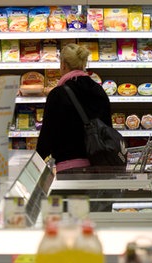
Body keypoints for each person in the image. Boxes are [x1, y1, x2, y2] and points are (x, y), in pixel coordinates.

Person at [36, 43, 112, 174]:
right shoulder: (99, 90)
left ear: (63, 65)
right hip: (99, 166)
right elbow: (108, 128)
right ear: (83, 65)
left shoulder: (58, 94)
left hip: (70, 169)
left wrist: (36, 162)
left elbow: (47, 137)